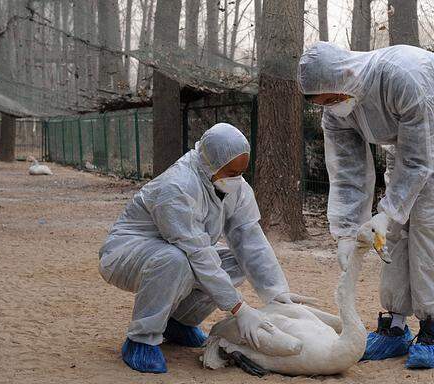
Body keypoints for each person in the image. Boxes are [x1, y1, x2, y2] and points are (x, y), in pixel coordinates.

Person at [297, 42, 434, 369]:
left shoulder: (402, 76)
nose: (330, 107)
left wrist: (386, 213)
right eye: (321, 103)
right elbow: (347, 174)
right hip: (408, 136)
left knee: (429, 220)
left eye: (330, 99)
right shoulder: (336, 113)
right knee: (394, 230)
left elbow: (418, 162)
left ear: (346, 74)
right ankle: (394, 324)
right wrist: (347, 234)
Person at [99, 123, 311, 373]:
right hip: (125, 253)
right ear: (211, 161)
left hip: (181, 251)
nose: (237, 178)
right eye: (231, 171)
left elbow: (250, 239)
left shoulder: (235, 187)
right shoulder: (177, 186)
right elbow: (197, 253)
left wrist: (277, 292)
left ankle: (179, 323)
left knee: (234, 261)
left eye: (242, 171)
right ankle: (141, 339)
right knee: (175, 260)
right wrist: (239, 308)